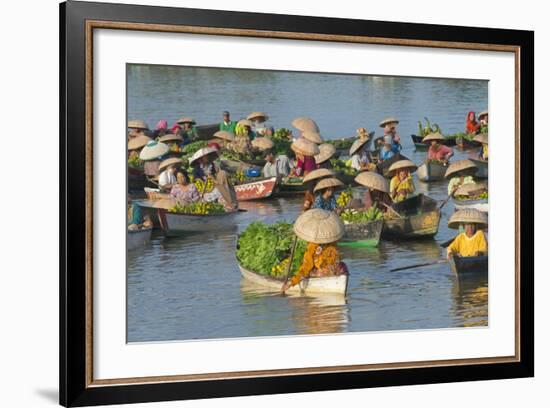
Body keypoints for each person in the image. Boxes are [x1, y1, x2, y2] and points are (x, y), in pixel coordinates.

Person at [280, 209, 347, 293]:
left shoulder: (312, 248)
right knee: (342, 265)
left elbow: (305, 268)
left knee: (309, 272)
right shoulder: (332, 243)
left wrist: (291, 282)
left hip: (324, 273)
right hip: (334, 271)